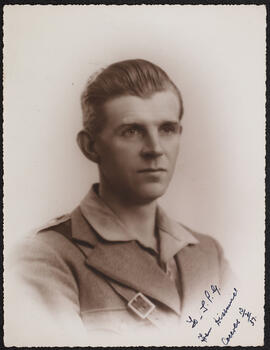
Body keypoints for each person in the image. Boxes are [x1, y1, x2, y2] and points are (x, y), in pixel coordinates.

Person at [5, 59, 231, 346]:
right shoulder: (46, 258)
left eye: (167, 129)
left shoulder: (208, 256)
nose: (155, 149)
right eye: (132, 131)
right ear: (90, 147)